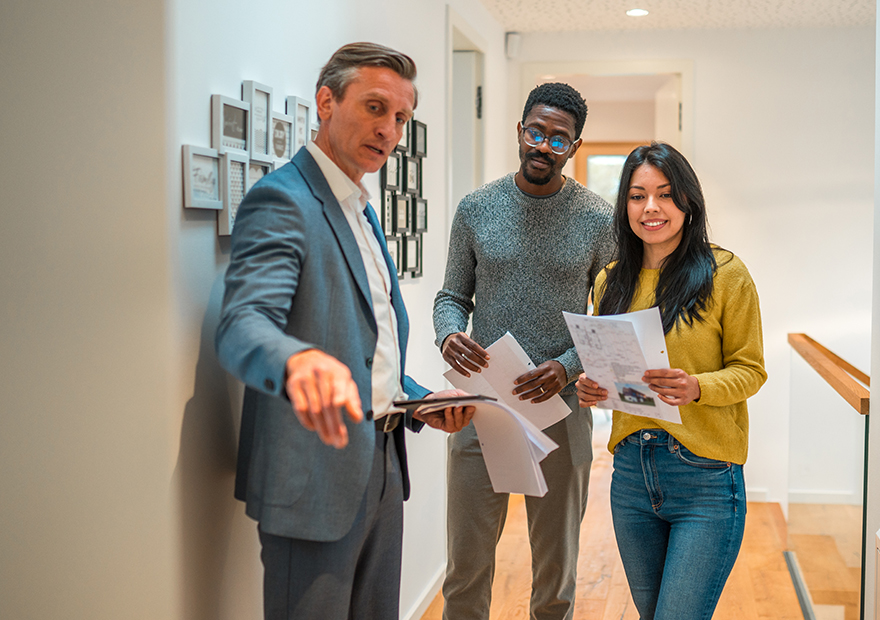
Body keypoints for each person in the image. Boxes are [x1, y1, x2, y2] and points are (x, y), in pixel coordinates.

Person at [216, 42, 473, 620]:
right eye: (376, 107)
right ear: (326, 101)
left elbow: (369, 350)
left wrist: (422, 400)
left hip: (384, 463)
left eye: (402, 117)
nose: (390, 130)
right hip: (313, 477)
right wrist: (294, 361)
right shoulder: (282, 200)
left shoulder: (360, 207)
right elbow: (242, 323)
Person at [433, 82, 614, 620]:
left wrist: (567, 366)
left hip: (561, 411)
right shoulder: (476, 208)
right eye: (536, 133)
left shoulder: (599, 219)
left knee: (555, 576)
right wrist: (448, 334)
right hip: (481, 407)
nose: (543, 146)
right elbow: (450, 297)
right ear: (520, 130)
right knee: (466, 569)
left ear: (574, 148)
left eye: (558, 140)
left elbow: (608, 319)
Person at [576, 142, 767, 620]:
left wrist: (697, 386)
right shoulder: (609, 281)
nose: (651, 208)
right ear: (625, 205)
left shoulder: (725, 274)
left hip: (704, 476)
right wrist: (593, 388)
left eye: (664, 194)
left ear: (687, 201)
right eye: (638, 196)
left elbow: (751, 369)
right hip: (630, 476)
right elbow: (616, 375)